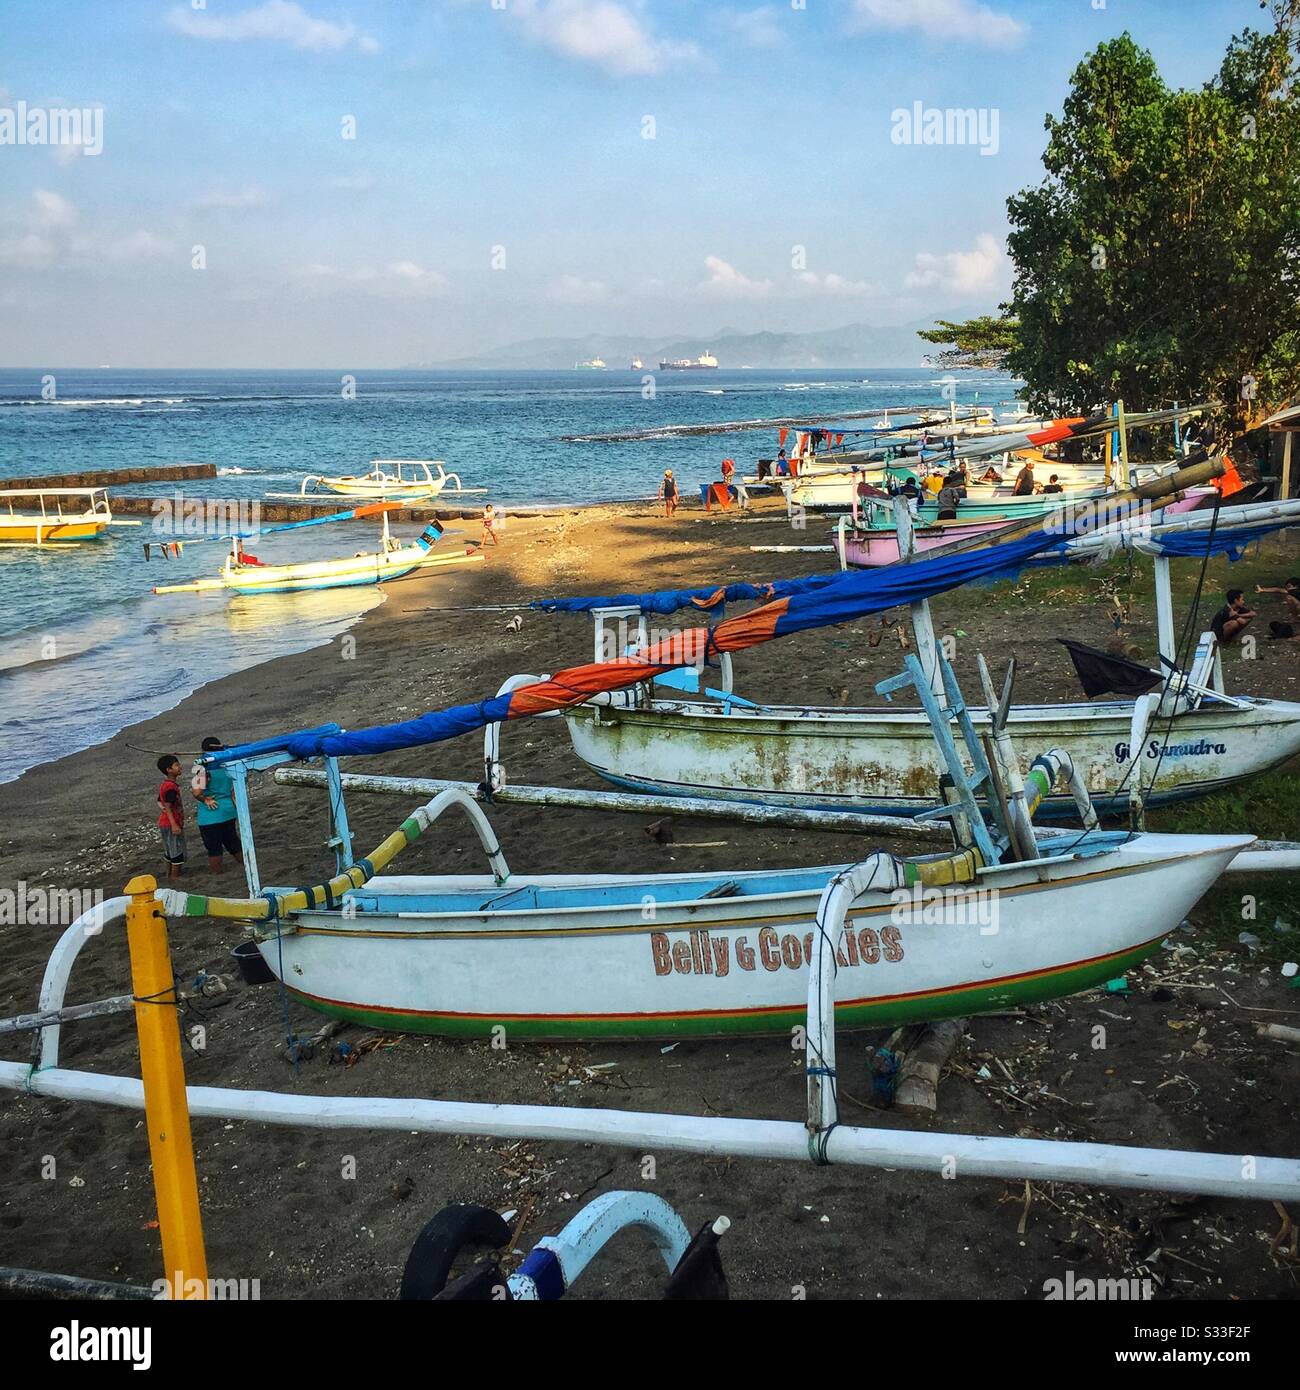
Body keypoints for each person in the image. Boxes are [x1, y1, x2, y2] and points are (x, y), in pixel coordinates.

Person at [191, 736, 243, 873]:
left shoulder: (202, 768)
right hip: (228, 809)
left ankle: (216, 872)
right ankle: (245, 864)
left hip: (211, 813)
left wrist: (205, 799)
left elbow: (196, 792)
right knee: (233, 841)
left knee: (214, 847)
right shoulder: (227, 764)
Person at [156, 754, 186, 880]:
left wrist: (163, 810)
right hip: (170, 824)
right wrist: (174, 824)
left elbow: (160, 801)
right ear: (169, 769)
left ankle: (169, 875)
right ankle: (175, 876)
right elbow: (168, 805)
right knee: (176, 851)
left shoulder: (165, 785)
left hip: (164, 823)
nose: (180, 767)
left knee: (169, 851)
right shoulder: (171, 787)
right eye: (177, 765)